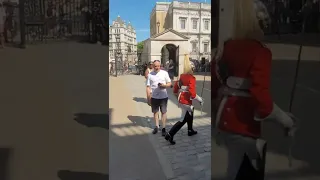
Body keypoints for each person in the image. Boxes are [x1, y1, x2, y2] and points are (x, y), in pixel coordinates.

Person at [211, 0, 298, 179]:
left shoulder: (225, 48)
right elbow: (262, 99)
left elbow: (215, 87)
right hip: (243, 123)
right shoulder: (261, 52)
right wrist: (285, 120)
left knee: (234, 169)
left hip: (223, 121)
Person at [164, 56, 203, 145]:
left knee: (190, 112)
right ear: (191, 68)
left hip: (181, 100)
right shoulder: (191, 78)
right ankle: (170, 135)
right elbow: (192, 94)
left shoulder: (181, 77)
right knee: (183, 119)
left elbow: (175, 91)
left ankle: (190, 130)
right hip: (186, 102)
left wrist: (180, 97)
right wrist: (199, 99)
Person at [146, 60, 172, 136]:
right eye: (155, 66)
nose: (157, 67)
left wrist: (164, 86)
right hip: (154, 97)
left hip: (163, 97)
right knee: (155, 112)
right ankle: (157, 126)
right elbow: (148, 87)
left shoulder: (165, 73)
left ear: (160, 66)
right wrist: (148, 97)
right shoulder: (150, 75)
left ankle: (163, 128)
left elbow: (169, 83)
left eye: (158, 66)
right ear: (153, 66)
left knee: (163, 112)